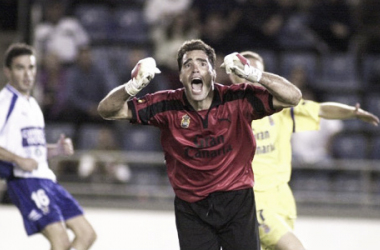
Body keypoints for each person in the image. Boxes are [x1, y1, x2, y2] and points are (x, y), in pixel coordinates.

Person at [97, 39, 302, 250]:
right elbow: (108, 110)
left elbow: (293, 97)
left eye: (203, 63)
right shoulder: (166, 104)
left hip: (237, 201)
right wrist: (133, 86)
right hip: (192, 208)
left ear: (213, 73)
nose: (195, 68)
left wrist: (253, 75)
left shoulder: (238, 99)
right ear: (180, 76)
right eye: (188, 64)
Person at [228, 51, 379, 250]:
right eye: (244, 71)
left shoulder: (280, 109)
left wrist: (352, 113)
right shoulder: (228, 111)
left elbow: (321, 110)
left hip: (281, 198)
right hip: (251, 199)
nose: (250, 75)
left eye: (254, 70)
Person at [0, 43, 96, 250]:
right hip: (25, 181)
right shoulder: (4, 102)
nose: (27, 74)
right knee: (60, 241)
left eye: (31, 67)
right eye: (20, 67)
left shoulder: (33, 104)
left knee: (86, 235)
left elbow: (33, 150)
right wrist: (17, 160)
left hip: (46, 179)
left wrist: (56, 150)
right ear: (7, 71)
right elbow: (22, 157)